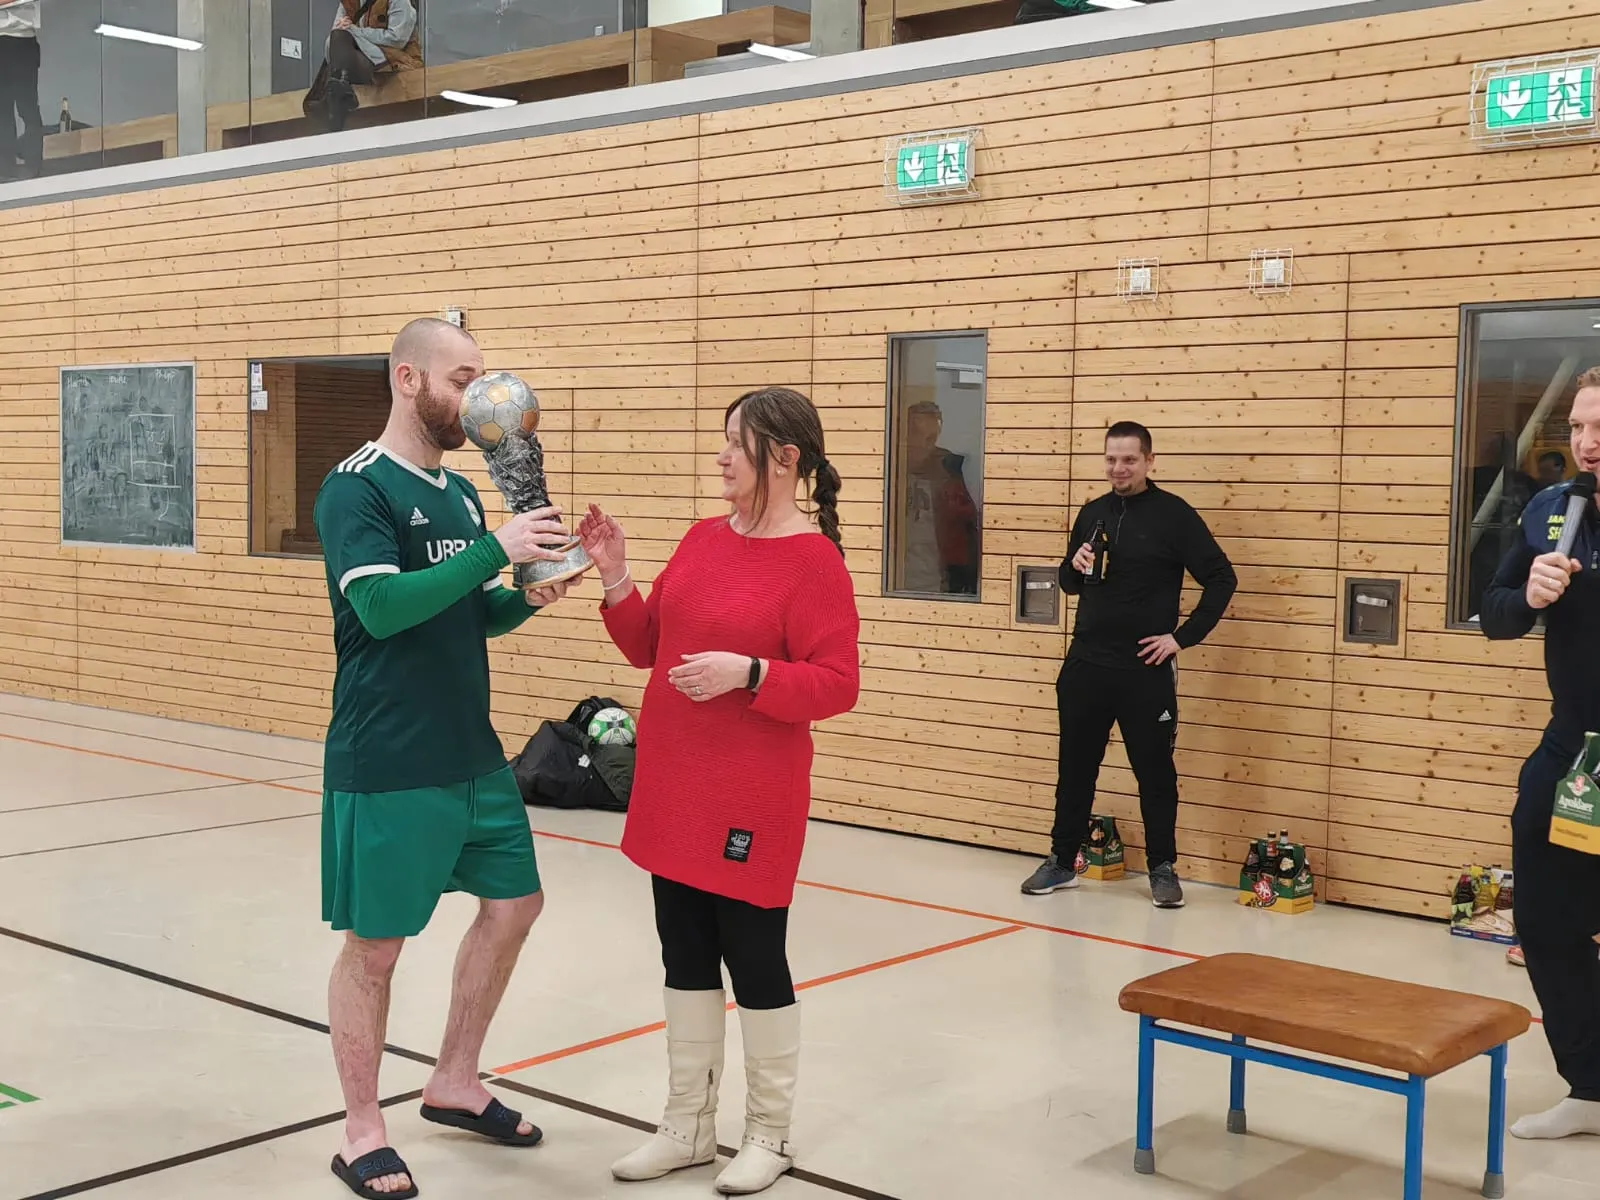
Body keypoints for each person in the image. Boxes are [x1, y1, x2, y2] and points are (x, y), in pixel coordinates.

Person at [312, 317, 580, 1199]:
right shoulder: (356, 487)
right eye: (462, 379)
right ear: (408, 380)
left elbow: (470, 614)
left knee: (515, 905)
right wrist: (496, 551)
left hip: (474, 753)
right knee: (376, 950)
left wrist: (531, 596)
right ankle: (361, 1131)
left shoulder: (462, 494)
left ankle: (454, 1081)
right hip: (389, 757)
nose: (479, 398)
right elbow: (384, 609)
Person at [577, 386, 860, 1195]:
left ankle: (769, 1133)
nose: (721, 456)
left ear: (785, 459)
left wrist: (753, 672)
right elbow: (647, 646)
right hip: (675, 786)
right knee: (685, 952)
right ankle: (688, 1126)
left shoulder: (814, 561)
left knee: (755, 957)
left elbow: (838, 684)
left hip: (751, 797)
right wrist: (617, 576)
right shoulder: (703, 538)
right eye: (723, 440)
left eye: (737, 443)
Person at [1021, 421, 1237, 909]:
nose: (1119, 469)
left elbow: (1222, 578)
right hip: (1086, 665)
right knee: (1074, 770)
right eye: (1111, 460)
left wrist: (1180, 639)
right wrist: (1072, 565)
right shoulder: (1092, 512)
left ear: (1149, 461)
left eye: (1129, 460)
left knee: (1155, 774)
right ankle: (1062, 861)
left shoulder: (1174, 515)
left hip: (1144, 669)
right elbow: (1069, 584)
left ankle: (1162, 868)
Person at [1481, 367, 1600, 1141]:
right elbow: (1494, 613)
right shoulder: (1551, 509)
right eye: (1580, 428)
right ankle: (1591, 1087)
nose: (1588, 443)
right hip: (1575, 748)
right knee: (1547, 918)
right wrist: (1528, 596)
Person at [0, 0, 44, 182]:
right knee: (2, 110)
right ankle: (5, 168)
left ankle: (33, 165)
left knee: (27, 107)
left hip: (21, 39)